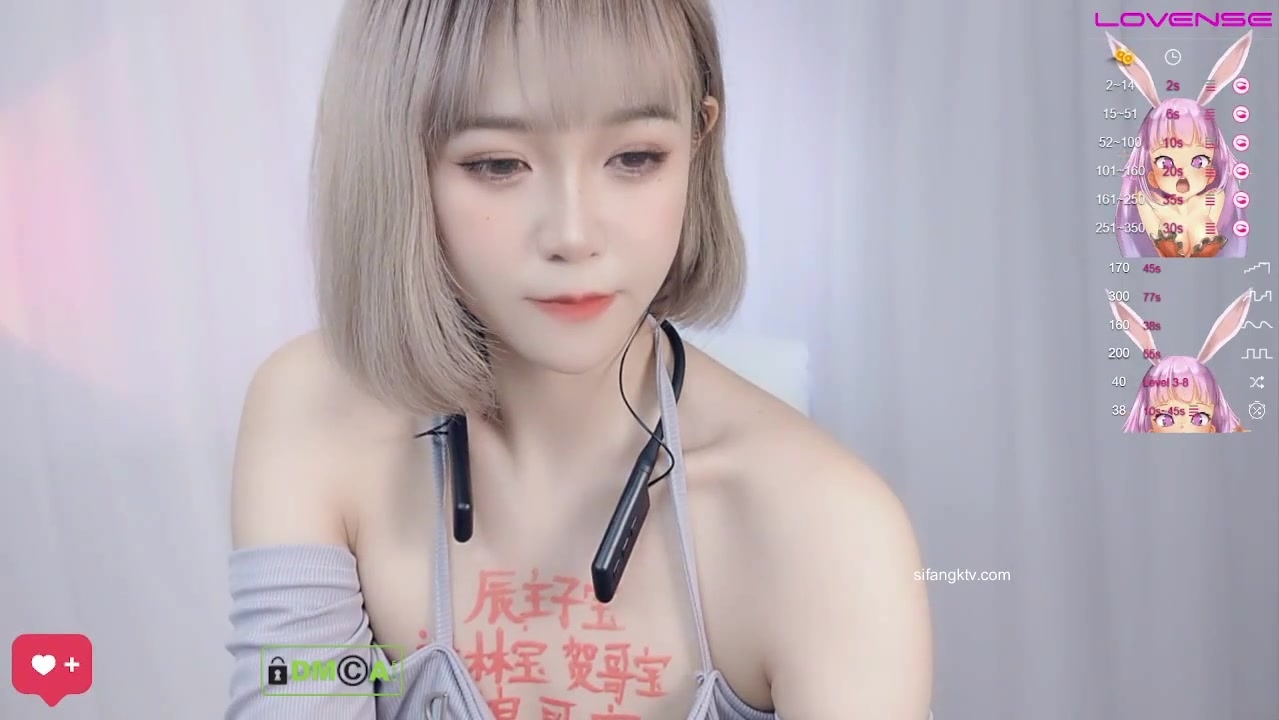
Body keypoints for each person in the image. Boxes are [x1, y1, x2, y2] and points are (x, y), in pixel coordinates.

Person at [226, 1, 932, 718]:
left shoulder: (829, 531)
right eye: (498, 163)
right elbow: (295, 687)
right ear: (396, 161)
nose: (572, 234)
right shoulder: (315, 415)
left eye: (634, 158)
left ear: (698, 141)